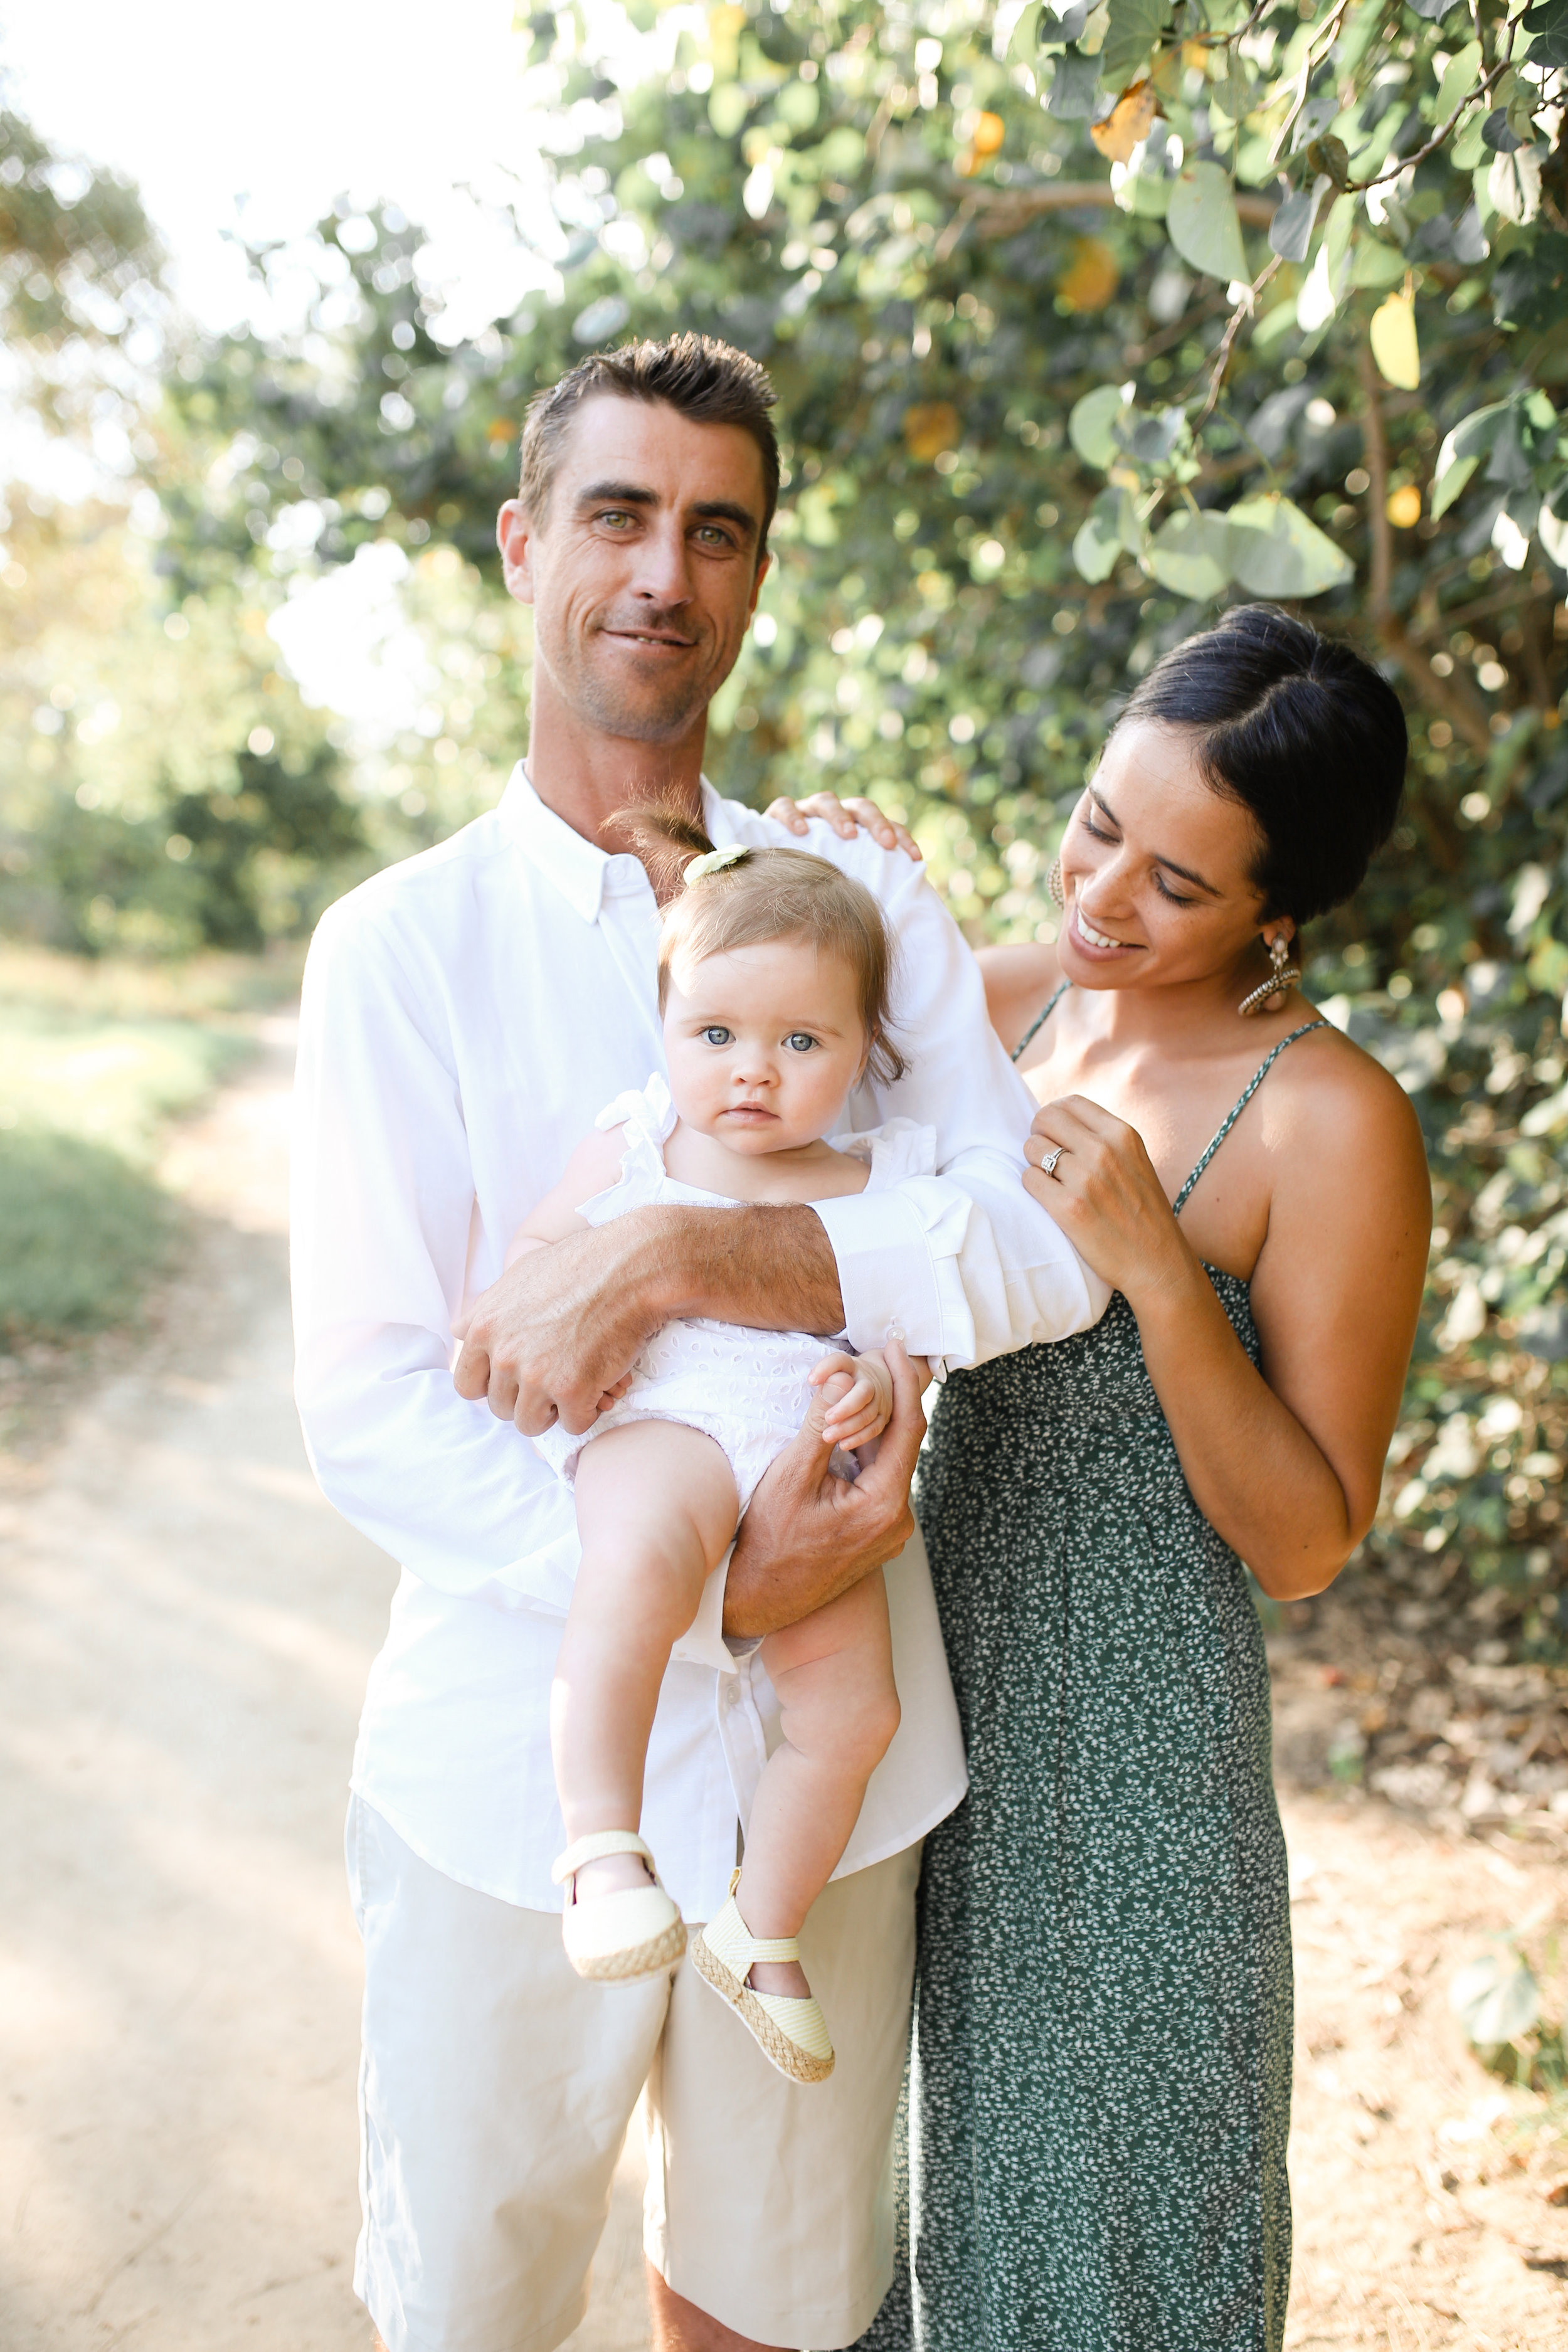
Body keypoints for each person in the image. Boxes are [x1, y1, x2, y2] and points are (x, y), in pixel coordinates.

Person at [290, 333, 1108, 2352]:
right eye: (617, 513)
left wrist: (678, 1252)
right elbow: (376, 1405)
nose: (665, 568)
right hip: (511, 1789)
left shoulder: (855, 902)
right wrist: (718, 1589)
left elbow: (1033, 1258)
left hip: (829, 1795)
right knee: (469, 2311)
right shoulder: (399, 949)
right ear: (521, 544)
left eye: (715, 529)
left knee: (772, 2320)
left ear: (755, 576)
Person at [766, 605, 1431, 2352]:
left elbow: (1303, 1536)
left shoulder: (1327, 1117)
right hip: (915, 1713)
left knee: (1124, 2248)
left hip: (1131, 1772)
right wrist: (834, 875)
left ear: (1279, 912)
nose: (1101, 895)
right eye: (1094, 821)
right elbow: (756, 1054)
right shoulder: (1010, 1002)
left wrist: (1154, 1275)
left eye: (1177, 885)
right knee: (931, 2224)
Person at [512, 815, 933, 2082]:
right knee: (635, 1560)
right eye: (715, 1035)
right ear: (665, 1030)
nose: (751, 1072)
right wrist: (579, 1320)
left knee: (855, 1708)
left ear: (865, 1053)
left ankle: (763, 1923)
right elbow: (538, 1278)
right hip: (667, 1417)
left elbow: (899, 1338)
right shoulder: (640, 1144)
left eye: (800, 1042)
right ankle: (599, 1843)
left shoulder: (875, 1183)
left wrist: (866, 1389)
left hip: (800, 1457)